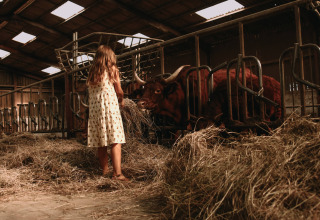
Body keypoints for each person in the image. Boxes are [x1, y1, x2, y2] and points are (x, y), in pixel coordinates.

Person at [86, 45, 128, 181]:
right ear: (109, 57)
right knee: (115, 139)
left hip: (96, 111)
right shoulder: (112, 70)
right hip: (109, 108)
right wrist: (122, 99)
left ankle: (105, 171)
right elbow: (119, 90)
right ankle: (118, 174)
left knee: (101, 140)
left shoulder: (92, 72)